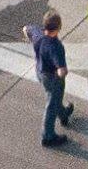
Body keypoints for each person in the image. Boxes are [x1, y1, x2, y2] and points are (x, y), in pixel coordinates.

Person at [23, 11, 71, 147]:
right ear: (59, 27)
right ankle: (48, 136)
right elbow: (62, 71)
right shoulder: (56, 47)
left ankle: (63, 113)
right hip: (52, 77)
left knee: (55, 98)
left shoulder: (38, 34)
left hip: (39, 71)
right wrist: (62, 73)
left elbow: (26, 29)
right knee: (52, 102)